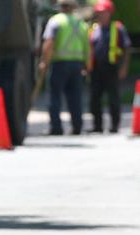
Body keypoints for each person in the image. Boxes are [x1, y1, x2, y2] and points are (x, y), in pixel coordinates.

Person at [39, 0, 88, 135]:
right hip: (77, 64)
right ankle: (77, 127)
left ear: (61, 6)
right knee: (75, 98)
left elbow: (49, 42)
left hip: (59, 64)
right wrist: (87, 64)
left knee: (55, 97)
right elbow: (87, 46)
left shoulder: (55, 21)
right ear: (73, 7)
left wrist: (44, 61)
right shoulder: (81, 24)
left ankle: (56, 128)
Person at [86, 0, 130, 134]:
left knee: (113, 99)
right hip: (96, 69)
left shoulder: (117, 28)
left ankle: (114, 126)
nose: (101, 15)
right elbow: (88, 49)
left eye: (103, 13)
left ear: (109, 13)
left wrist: (124, 68)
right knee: (95, 98)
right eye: (99, 13)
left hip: (111, 68)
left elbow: (127, 48)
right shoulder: (93, 29)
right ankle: (97, 126)